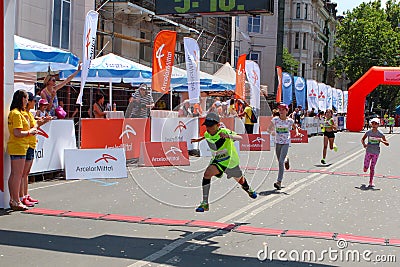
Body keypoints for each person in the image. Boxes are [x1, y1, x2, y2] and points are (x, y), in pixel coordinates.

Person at [190, 113, 257, 212]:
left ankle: (248, 189)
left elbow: (240, 138)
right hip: (218, 161)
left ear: (217, 125)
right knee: (207, 174)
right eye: (206, 125)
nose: (208, 128)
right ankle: (205, 203)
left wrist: (227, 136)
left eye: (211, 126)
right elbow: (208, 136)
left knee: (241, 180)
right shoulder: (207, 133)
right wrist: (199, 139)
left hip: (230, 161)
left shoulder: (224, 131)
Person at [7, 90, 38, 211]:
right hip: (18, 146)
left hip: (20, 146)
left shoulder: (17, 112)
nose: (27, 101)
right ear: (21, 99)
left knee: (16, 174)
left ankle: (14, 199)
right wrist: (30, 132)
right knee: (17, 174)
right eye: (25, 99)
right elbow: (17, 132)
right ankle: (16, 200)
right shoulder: (16, 113)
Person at [21, 92, 51, 207]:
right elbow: (30, 128)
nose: (35, 103)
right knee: (23, 173)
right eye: (34, 101)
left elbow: (35, 125)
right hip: (27, 144)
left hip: (31, 144)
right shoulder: (24, 113)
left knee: (26, 173)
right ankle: (22, 196)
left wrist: (43, 121)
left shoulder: (29, 113)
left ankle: (25, 194)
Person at [267, 103, 301, 190]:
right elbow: (268, 129)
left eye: (283, 109)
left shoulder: (290, 121)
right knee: (280, 161)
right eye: (280, 109)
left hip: (286, 142)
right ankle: (287, 159)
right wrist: (272, 132)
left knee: (280, 162)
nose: (281, 111)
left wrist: (297, 132)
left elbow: (295, 127)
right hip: (277, 142)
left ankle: (279, 181)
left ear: (287, 111)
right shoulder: (275, 120)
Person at [361, 118, 389, 187]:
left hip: (376, 152)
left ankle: (371, 181)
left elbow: (387, 143)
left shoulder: (380, 134)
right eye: (373, 123)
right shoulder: (368, 132)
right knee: (366, 167)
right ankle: (365, 167)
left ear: (378, 125)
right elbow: (362, 139)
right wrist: (364, 144)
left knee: (372, 167)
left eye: (376, 123)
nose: (374, 125)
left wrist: (381, 141)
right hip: (369, 151)